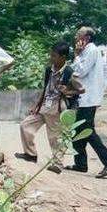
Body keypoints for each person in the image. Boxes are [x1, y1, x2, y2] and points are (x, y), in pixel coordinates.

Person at [16, 41, 85, 174]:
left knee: (55, 137)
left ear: (63, 57)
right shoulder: (49, 69)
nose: (51, 58)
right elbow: (45, 89)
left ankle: (57, 164)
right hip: (44, 105)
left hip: (57, 107)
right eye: (51, 55)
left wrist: (67, 91)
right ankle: (31, 154)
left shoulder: (70, 73)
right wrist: (36, 105)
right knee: (25, 125)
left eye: (54, 56)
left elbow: (81, 90)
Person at [65, 26, 107, 178]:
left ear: (86, 38)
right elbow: (104, 70)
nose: (76, 36)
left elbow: (79, 72)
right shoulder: (89, 51)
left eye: (78, 34)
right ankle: (80, 164)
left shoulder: (91, 50)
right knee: (78, 131)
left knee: (87, 131)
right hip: (86, 97)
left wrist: (76, 55)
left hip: (88, 98)